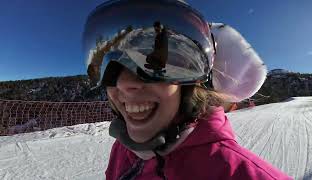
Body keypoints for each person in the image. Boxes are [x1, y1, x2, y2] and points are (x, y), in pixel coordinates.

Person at [82, 0, 292, 179]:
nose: (122, 84)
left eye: (154, 67)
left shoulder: (236, 172)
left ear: (192, 83)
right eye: (112, 66)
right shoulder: (123, 149)